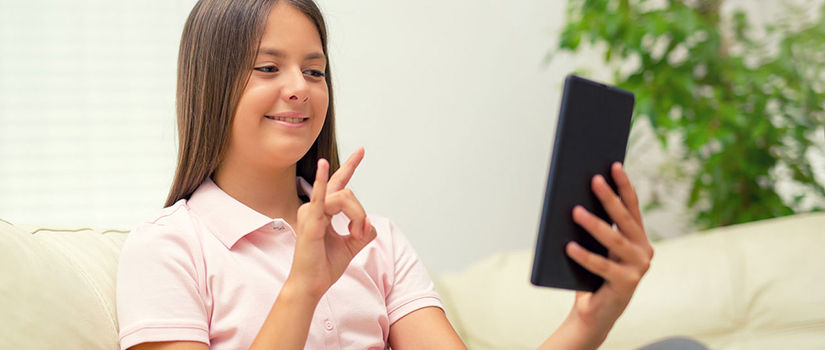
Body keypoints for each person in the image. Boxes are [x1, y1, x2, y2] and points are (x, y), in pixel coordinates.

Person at [115, 0, 657, 349]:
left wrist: (592, 317)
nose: (300, 87)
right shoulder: (167, 250)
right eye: (267, 66)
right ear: (210, 84)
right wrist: (303, 285)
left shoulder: (374, 240)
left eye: (315, 70)